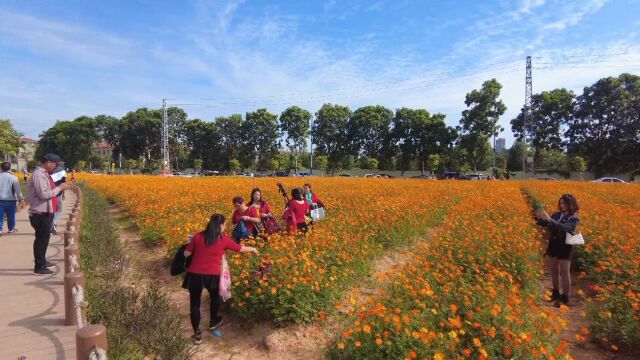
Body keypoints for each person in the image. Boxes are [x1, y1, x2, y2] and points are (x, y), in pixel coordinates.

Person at [183, 214, 258, 344]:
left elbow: (186, 254)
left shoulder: (198, 236)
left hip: (195, 274)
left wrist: (190, 245)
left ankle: (197, 334)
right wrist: (253, 249)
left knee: (195, 304)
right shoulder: (223, 240)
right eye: (224, 224)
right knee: (214, 298)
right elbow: (239, 249)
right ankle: (213, 322)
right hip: (213, 275)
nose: (225, 227)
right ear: (221, 225)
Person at [26, 154, 69, 275]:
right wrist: (60, 188)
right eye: (55, 164)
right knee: (41, 239)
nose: (56, 167)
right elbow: (43, 194)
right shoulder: (39, 175)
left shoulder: (45, 174)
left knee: (44, 239)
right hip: (40, 213)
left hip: (46, 212)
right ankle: (39, 266)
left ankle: (43, 261)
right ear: (48, 162)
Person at [535, 194, 581, 307]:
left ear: (571, 204)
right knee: (554, 270)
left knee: (564, 271)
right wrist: (539, 218)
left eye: (564, 203)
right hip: (554, 244)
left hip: (565, 245)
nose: (562, 205)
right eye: (561, 203)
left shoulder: (574, 218)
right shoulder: (557, 214)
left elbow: (566, 228)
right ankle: (555, 293)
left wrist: (549, 219)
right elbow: (549, 225)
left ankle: (565, 297)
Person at [0, 162, 25, 234]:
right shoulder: (14, 178)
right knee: (11, 216)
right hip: (11, 200)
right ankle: (11, 229)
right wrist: (22, 199)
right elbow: (18, 190)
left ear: (1, 168)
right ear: (10, 168)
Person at [50, 164, 67, 234]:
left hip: (48, 193)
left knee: (51, 210)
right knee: (59, 209)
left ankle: (52, 224)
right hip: (57, 193)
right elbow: (64, 182)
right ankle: (52, 223)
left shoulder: (46, 169)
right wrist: (63, 193)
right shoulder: (61, 170)